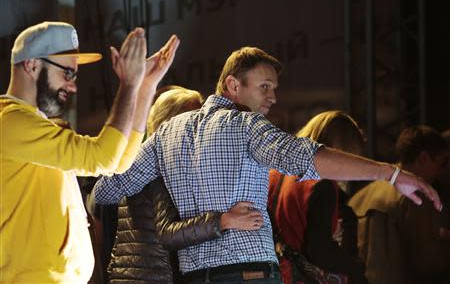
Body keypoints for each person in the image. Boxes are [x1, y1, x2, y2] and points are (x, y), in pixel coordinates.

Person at [93, 47, 441, 284]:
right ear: (233, 85)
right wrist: (389, 173)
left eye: (274, 87)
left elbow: (106, 190)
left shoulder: (167, 133)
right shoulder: (246, 126)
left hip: (195, 277)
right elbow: (307, 157)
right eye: (264, 87)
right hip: (250, 274)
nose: (272, 97)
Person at [0, 21, 179, 283]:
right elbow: (102, 156)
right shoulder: (11, 123)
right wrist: (129, 85)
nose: (72, 86)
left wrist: (144, 87)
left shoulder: (33, 124)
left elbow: (117, 163)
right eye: (67, 74)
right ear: (32, 65)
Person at [107, 85, 264, 284]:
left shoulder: (146, 162)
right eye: (192, 116)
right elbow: (169, 233)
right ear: (167, 123)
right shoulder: (159, 168)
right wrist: (225, 220)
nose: (199, 124)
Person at [268, 110, 368, 284]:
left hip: (273, 272)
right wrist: (356, 269)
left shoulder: (275, 173)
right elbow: (320, 251)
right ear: (343, 152)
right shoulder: (321, 183)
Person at [349, 125, 450, 284]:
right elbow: (426, 263)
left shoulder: (361, 195)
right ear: (423, 158)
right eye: (442, 163)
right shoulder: (415, 197)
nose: (442, 172)